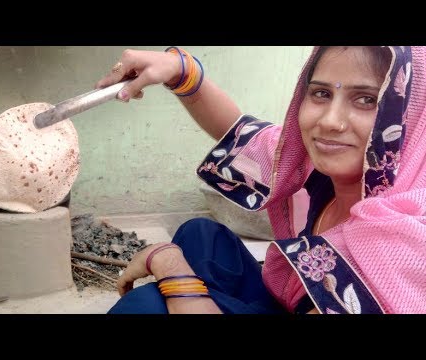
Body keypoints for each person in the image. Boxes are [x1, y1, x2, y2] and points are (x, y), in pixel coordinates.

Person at [95, 46, 426, 314]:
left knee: (146, 306)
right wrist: (181, 71)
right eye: (322, 94)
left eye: (367, 100)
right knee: (200, 235)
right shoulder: (321, 171)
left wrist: (171, 269)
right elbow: (236, 128)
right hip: (295, 302)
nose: (330, 121)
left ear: (413, 117)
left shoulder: (402, 243)